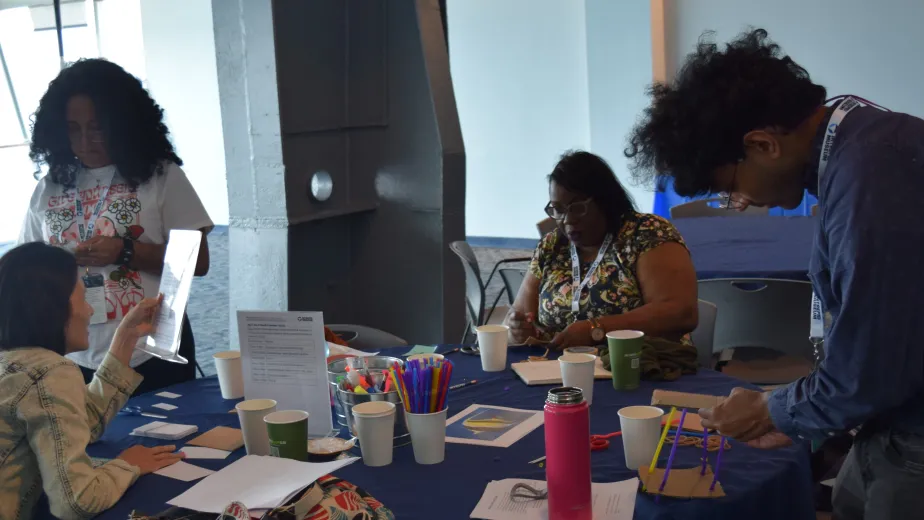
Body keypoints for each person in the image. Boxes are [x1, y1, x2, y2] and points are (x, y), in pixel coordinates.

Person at [625, 28, 924, 518]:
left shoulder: (871, 181)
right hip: (889, 423)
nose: (739, 204)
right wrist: (801, 412)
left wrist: (774, 408)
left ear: (763, 144)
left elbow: (870, 367)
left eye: (730, 187)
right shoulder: (859, 142)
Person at [20, 58, 214, 395]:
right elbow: (27, 266)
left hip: (153, 348)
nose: (83, 141)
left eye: (96, 127)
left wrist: (126, 251)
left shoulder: (160, 175)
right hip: (74, 353)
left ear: (122, 123)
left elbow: (198, 262)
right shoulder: (49, 187)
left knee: (169, 442)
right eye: (72, 128)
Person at [0, 243, 185, 520]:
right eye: (83, 299)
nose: (89, 311)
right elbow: (77, 501)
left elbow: (82, 426)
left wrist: (125, 339)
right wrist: (127, 466)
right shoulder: (49, 372)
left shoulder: (15, 365)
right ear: (53, 308)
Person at [504, 150, 697, 349]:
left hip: (642, 368)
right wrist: (519, 330)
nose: (568, 220)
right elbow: (515, 322)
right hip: (561, 371)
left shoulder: (646, 233)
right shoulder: (552, 246)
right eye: (558, 209)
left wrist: (596, 329)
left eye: (578, 207)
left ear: (605, 201)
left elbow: (681, 313)